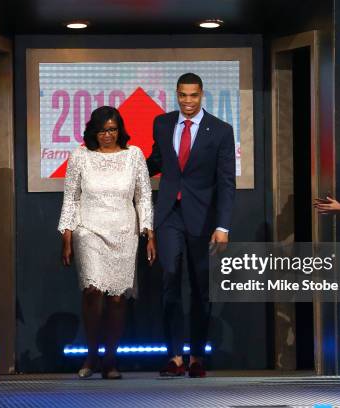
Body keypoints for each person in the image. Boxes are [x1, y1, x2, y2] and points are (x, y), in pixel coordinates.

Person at [146, 73, 236, 378]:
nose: (187, 101)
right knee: (170, 279)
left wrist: (223, 225)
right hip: (169, 214)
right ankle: (174, 357)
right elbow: (156, 161)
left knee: (201, 288)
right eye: (183, 95)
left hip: (203, 217)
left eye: (193, 95)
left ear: (202, 95)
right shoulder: (162, 123)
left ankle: (197, 356)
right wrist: (124, 163)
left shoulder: (221, 131)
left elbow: (226, 183)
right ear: (176, 94)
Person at [58, 106, 155, 380]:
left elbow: (143, 197)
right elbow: (71, 198)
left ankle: (110, 359)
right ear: (93, 132)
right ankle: (91, 354)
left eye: (112, 130)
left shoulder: (133, 155)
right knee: (91, 290)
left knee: (116, 298)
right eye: (102, 130)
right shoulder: (80, 156)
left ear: (120, 130)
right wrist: (67, 234)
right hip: (88, 229)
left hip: (124, 231)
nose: (107, 135)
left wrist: (149, 232)